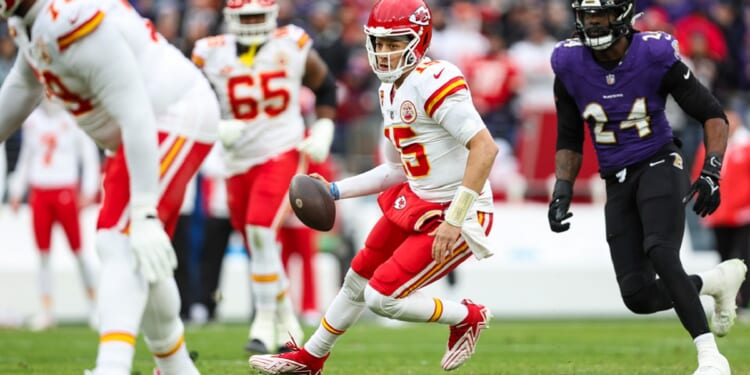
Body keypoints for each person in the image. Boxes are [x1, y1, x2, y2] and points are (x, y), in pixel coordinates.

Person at [249, 0, 499, 373]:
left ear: (419, 38)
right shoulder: (389, 91)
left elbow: (485, 147)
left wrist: (455, 218)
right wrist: (334, 190)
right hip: (418, 200)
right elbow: (397, 171)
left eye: (394, 42)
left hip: (459, 212)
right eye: (378, 43)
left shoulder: (435, 80)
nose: (384, 52)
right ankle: (311, 358)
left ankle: (467, 316)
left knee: (382, 297)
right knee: (356, 277)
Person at [0, 0, 219, 373]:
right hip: (142, 128)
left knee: (119, 239)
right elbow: (24, 84)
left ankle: (112, 367)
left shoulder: (71, 19)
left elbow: (135, 111)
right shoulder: (35, 20)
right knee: (136, 255)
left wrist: (145, 210)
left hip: (172, 114)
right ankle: (177, 367)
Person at [546, 1, 746, 374]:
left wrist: (711, 171)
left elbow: (712, 114)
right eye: (587, 14)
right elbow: (569, 136)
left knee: (660, 250)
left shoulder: (653, 54)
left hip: (658, 162)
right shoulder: (568, 62)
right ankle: (716, 282)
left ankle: (710, 357)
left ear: (621, 14)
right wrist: (562, 187)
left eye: (601, 13)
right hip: (615, 178)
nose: (593, 21)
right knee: (637, 296)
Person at [191, 0, 337, 354]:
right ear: (230, 19)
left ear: (273, 16)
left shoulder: (291, 44)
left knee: (259, 231)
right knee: (260, 245)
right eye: (246, 17)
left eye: (259, 15)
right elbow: (189, 99)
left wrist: (324, 125)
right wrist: (215, 125)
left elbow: (326, 87)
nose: (253, 22)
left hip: (282, 150)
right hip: (237, 161)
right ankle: (287, 322)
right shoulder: (210, 53)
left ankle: (263, 323)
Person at [8, 98, 100, 331]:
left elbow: (88, 157)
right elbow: (26, 158)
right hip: (39, 191)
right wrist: (17, 189)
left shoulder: (74, 117)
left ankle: (95, 306)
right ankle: (47, 310)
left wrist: (89, 190)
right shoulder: (32, 121)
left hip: (65, 189)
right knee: (43, 254)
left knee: (78, 251)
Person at [692, 110, 750, 315]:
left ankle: (744, 302)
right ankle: (728, 302)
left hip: (744, 213)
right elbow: (699, 175)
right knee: (724, 258)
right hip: (720, 213)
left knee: (745, 258)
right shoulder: (709, 147)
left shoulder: (746, 146)